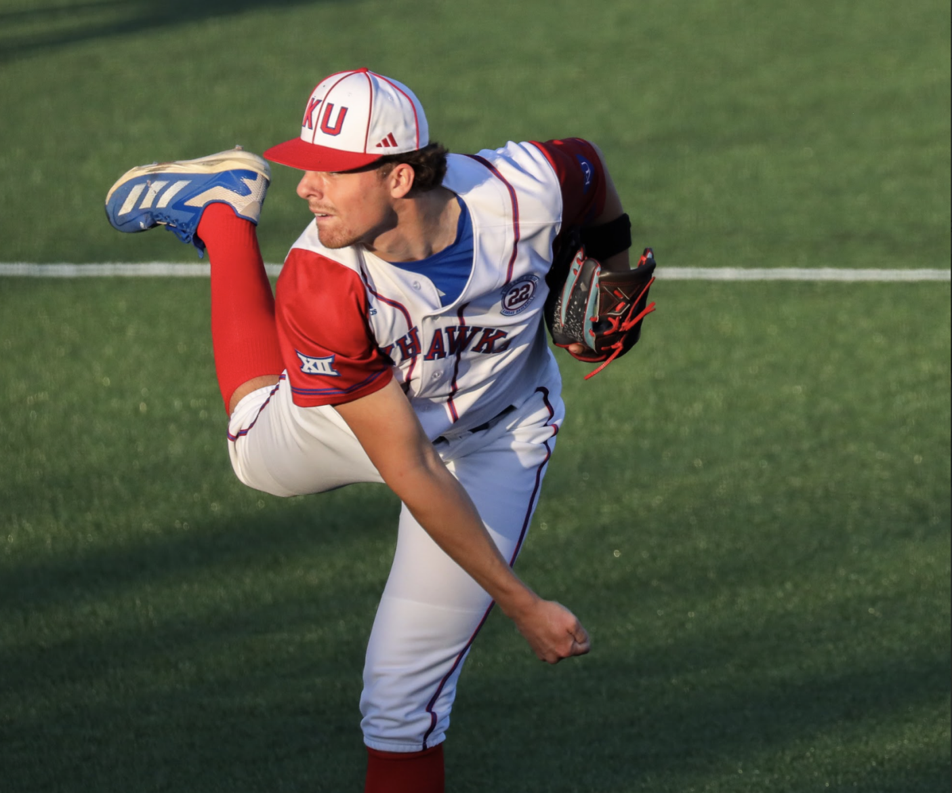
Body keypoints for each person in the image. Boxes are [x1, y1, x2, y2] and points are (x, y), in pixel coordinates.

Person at [105, 68, 636, 793]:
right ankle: (223, 217)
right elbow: (412, 466)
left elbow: (592, 173)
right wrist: (521, 602)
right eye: (305, 166)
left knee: (401, 703)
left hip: (497, 438)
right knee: (254, 455)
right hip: (383, 421)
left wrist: (612, 265)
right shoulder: (321, 280)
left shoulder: (529, 187)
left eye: (329, 169)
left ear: (398, 177)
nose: (304, 186)